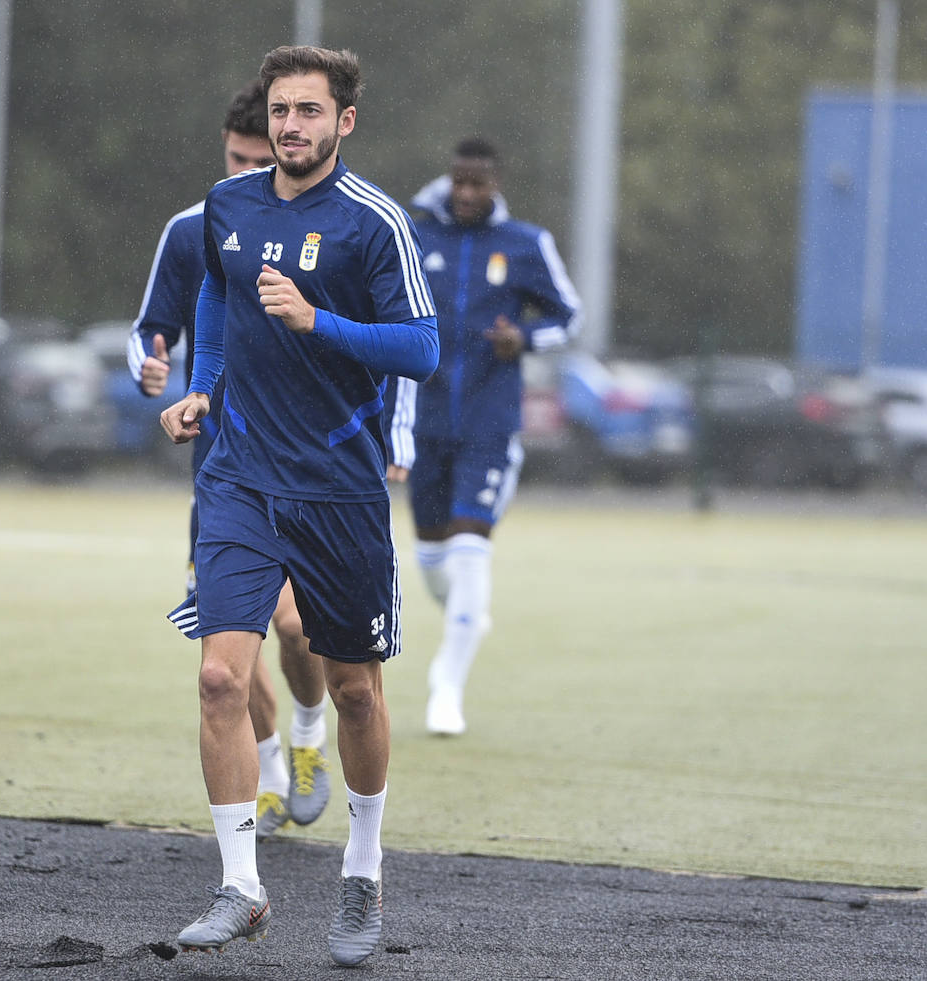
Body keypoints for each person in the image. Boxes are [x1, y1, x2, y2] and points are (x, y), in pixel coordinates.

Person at [159, 45, 438, 967]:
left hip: (339, 488)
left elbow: (423, 347)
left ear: (343, 122)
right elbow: (216, 290)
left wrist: (320, 321)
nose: (290, 126)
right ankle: (240, 886)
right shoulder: (228, 206)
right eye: (281, 110)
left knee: (355, 688)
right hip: (237, 477)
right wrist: (204, 385)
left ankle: (363, 865)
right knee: (218, 680)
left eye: (309, 112)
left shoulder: (373, 222)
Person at [129, 81, 334, 841]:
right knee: (224, 665)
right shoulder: (197, 225)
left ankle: (310, 736)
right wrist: (154, 372)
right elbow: (150, 330)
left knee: (293, 626)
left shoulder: (332, 223)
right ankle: (275, 772)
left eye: (262, 157)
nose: (250, 170)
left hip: (307, 471)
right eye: (237, 156)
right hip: (222, 477)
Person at [406, 137, 581, 736]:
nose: (468, 193)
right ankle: (466, 615)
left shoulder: (525, 245)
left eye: (479, 183)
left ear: (496, 185)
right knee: (432, 561)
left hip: (490, 424)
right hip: (423, 426)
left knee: (470, 548)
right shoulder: (415, 235)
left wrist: (524, 340)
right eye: (460, 181)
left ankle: (446, 689)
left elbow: (569, 317)